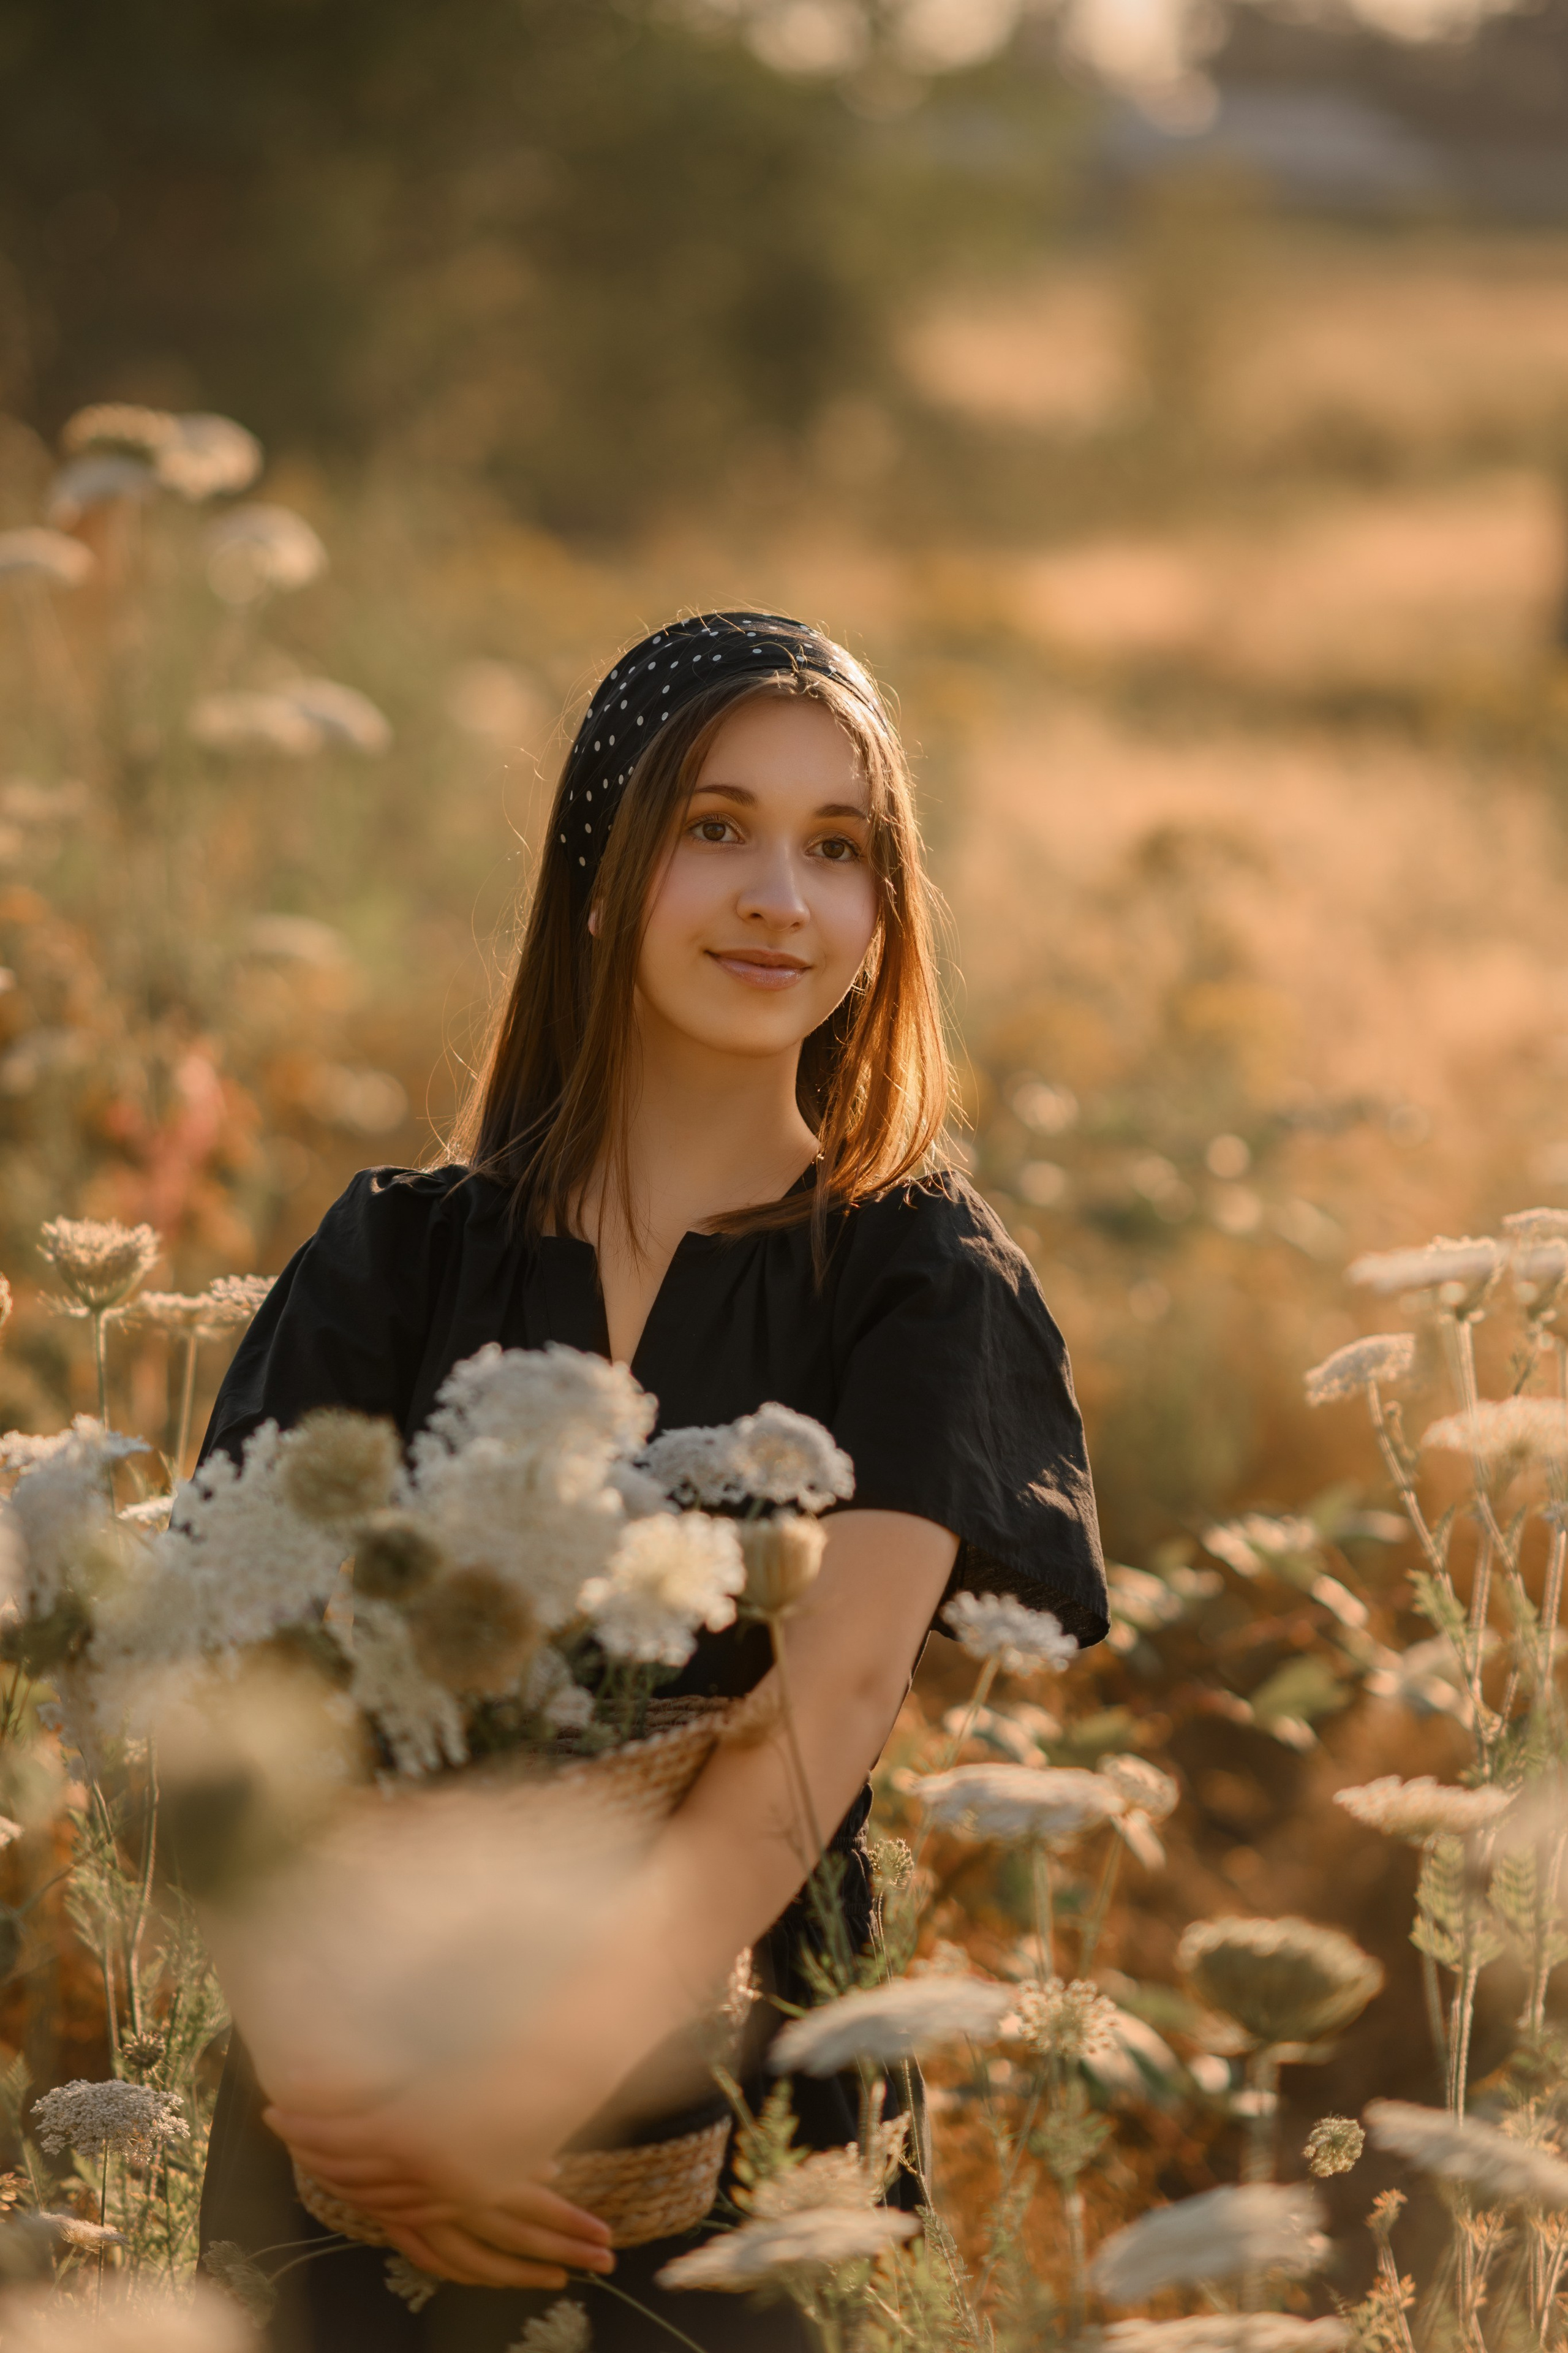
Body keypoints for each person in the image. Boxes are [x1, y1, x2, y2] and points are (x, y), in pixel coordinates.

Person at [197, 610, 1107, 2350]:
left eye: (837, 849)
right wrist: (333, 2076)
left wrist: (514, 2088)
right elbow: (236, 1691)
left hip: (732, 2153)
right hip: (338, 2135)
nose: (781, 894)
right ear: (600, 877)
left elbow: (813, 1723)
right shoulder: (391, 1259)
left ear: (881, 914)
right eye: (716, 827)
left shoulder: (920, 1278)